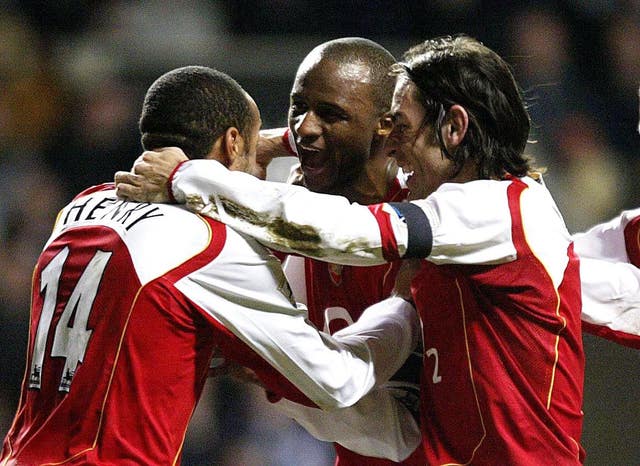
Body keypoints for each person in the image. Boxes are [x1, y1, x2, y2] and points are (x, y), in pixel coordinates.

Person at [116, 34, 591, 463]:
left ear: (452, 129)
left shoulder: (496, 210)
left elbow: (351, 232)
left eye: (401, 129)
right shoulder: (445, 238)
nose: (397, 150)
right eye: (297, 109)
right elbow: (383, 413)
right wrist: (286, 373)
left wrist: (190, 175)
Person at [0, 66, 422, 465]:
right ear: (233, 143)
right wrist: (402, 308)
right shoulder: (208, 245)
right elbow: (335, 380)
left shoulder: (81, 207)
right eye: (253, 144)